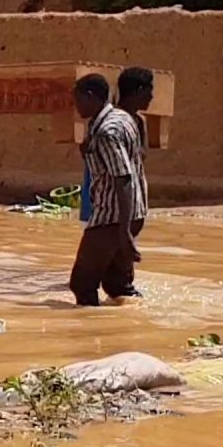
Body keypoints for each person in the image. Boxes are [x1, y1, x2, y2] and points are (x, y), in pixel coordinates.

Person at [67, 74, 142, 306]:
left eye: (77, 100)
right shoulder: (122, 118)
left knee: (82, 283)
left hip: (112, 218)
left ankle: (89, 335)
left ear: (91, 97)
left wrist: (123, 232)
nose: (75, 106)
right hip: (134, 212)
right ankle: (127, 330)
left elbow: (123, 178)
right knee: (118, 287)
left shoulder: (106, 132)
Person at [103, 66, 156, 298]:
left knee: (122, 253)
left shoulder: (138, 121)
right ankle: (122, 293)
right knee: (117, 253)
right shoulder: (112, 122)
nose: (152, 97)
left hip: (134, 195)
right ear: (139, 90)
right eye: (149, 91)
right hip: (118, 196)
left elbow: (140, 155)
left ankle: (122, 291)